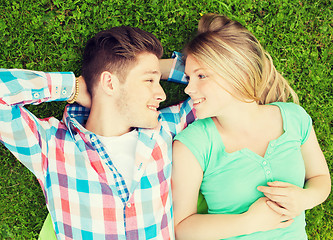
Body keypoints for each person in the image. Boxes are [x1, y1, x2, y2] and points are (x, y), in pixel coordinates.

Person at [0, 26, 194, 240]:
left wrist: (157, 68)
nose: (162, 94)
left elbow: (220, 80)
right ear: (109, 83)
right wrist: (70, 88)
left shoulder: (164, 128)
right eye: (149, 81)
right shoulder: (51, 146)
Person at [172, 13, 331, 240]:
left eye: (201, 76)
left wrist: (305, 198)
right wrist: (248, 222)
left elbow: (321, 178)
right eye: (189, 78)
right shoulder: (194, 144)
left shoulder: (294, 118)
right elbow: (182, 229)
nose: (188, 89)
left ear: (238, 72)